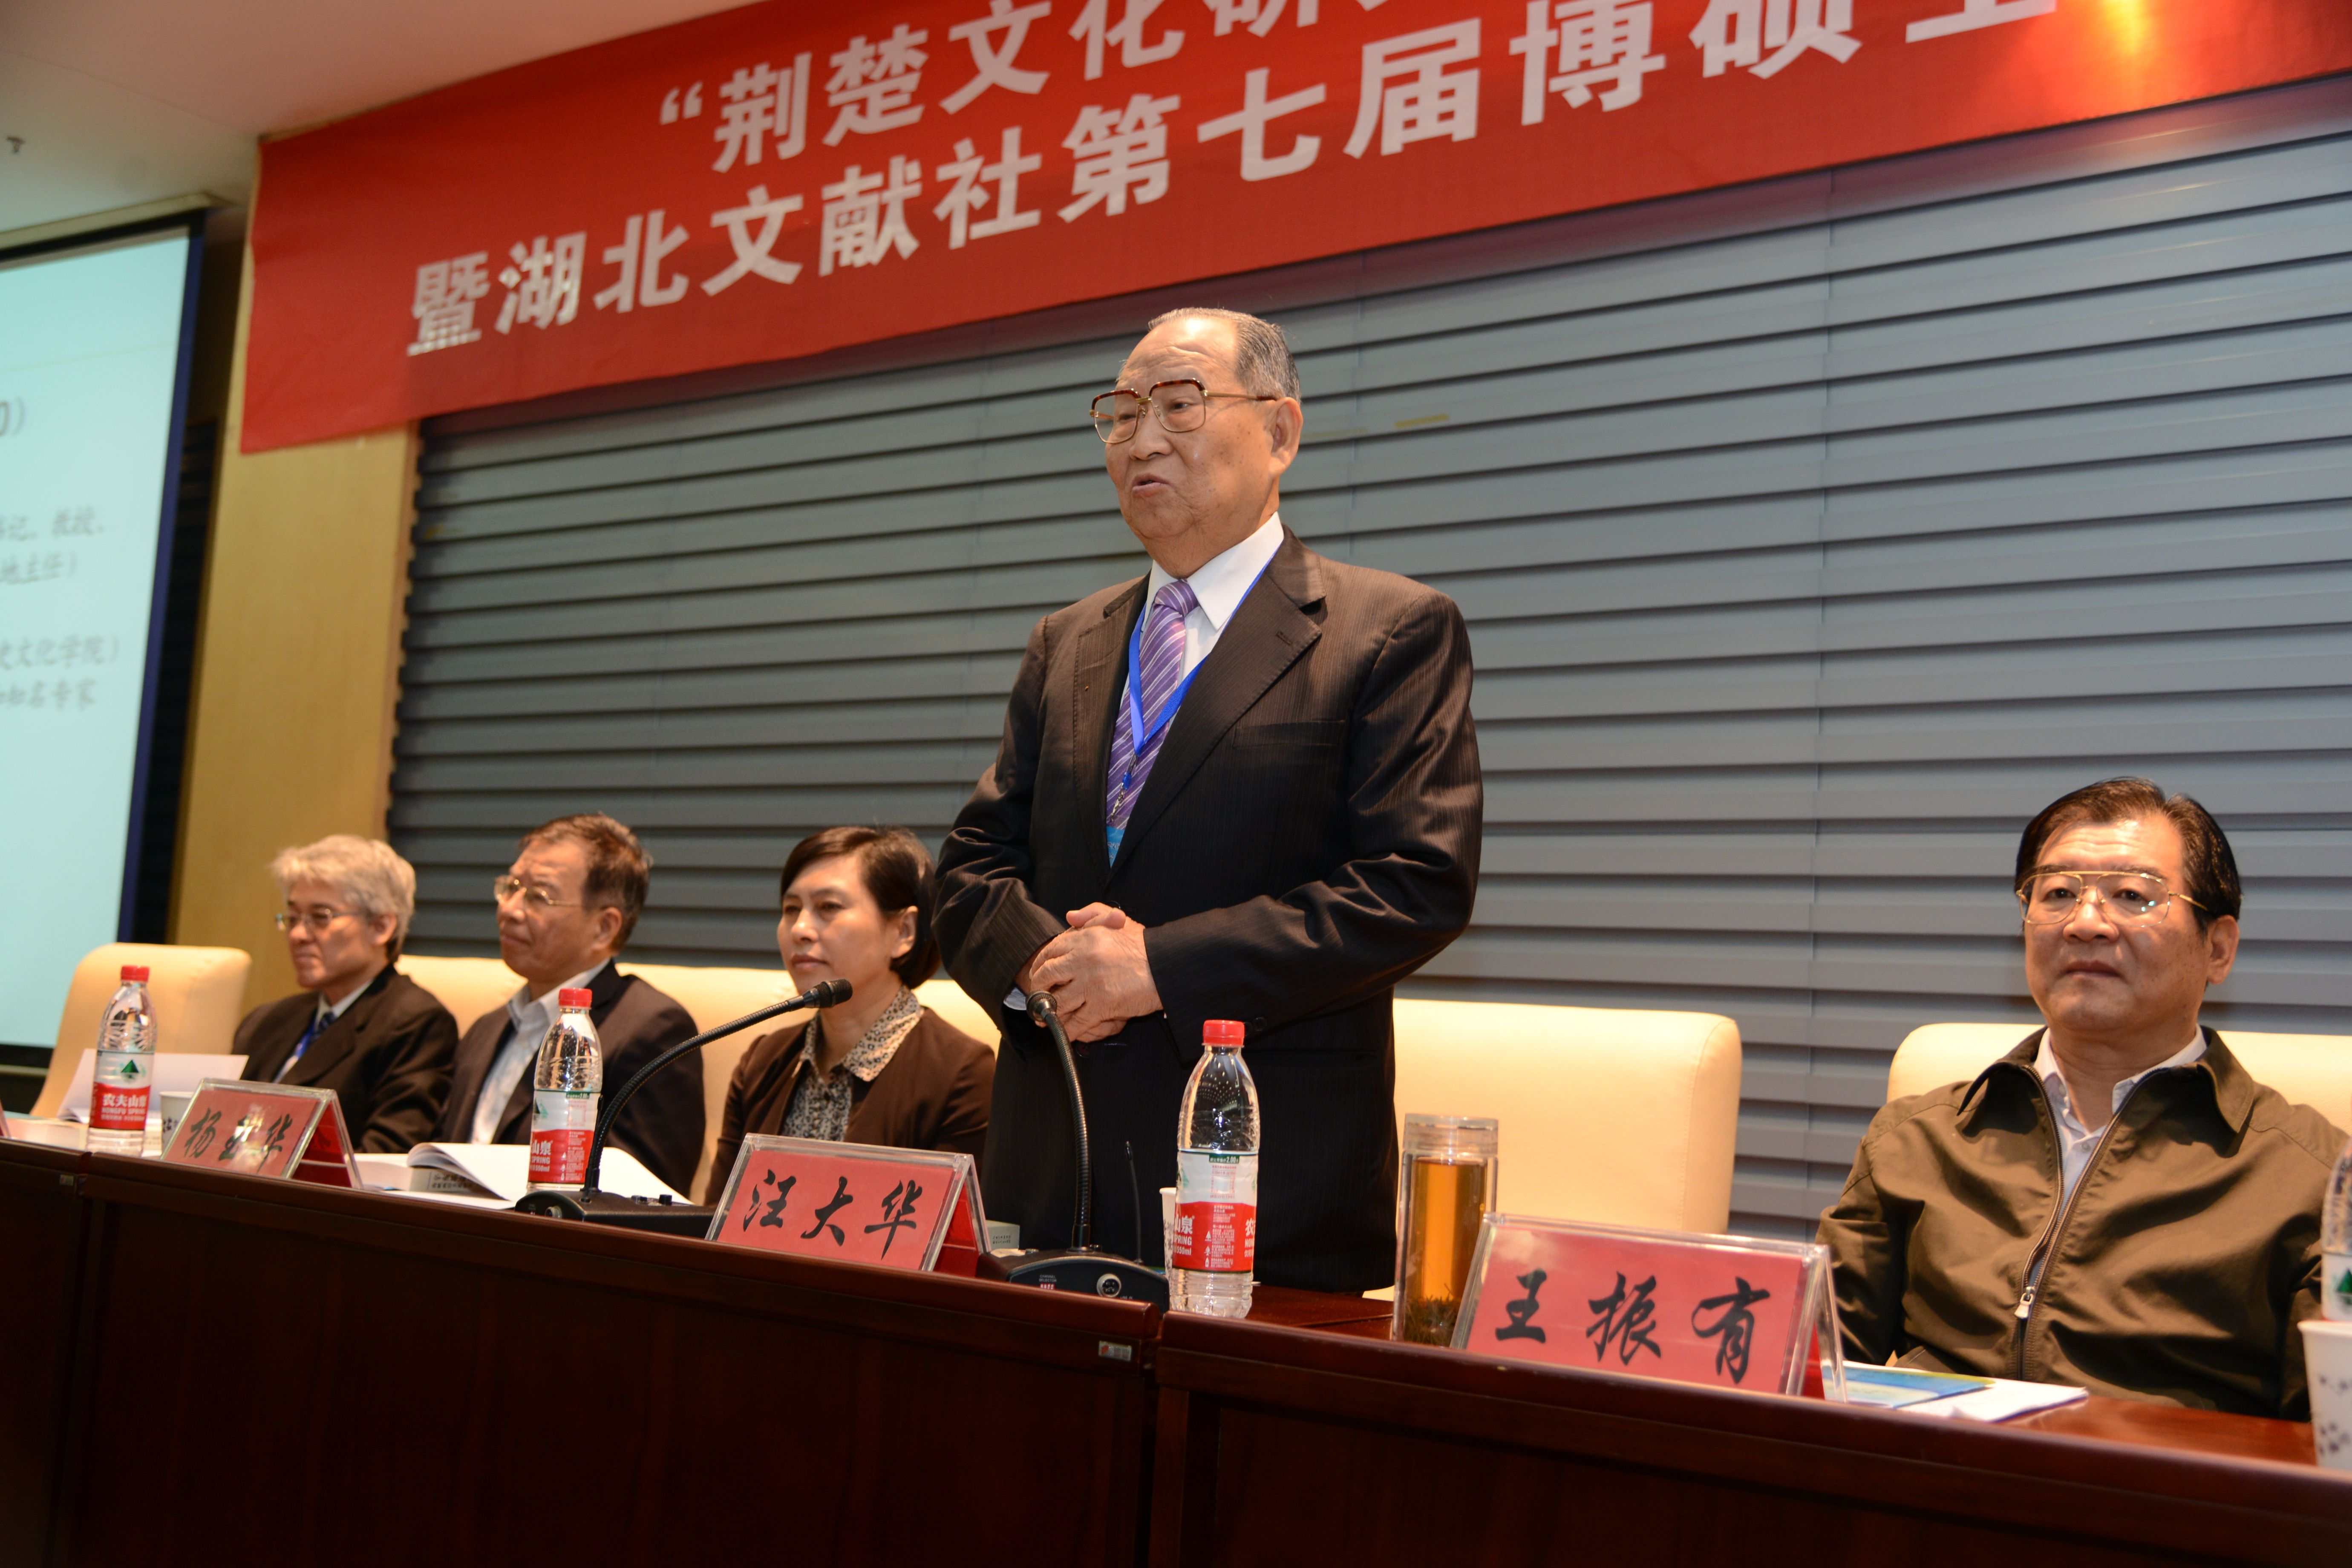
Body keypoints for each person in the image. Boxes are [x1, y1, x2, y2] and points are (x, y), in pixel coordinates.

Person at [934, 307, 1483, 1291]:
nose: (1142, 439)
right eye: (1121, 412)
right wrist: (1051, 972)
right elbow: (973, 866)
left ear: (1279, 431)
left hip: (1266, 1189)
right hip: (1050, 1171)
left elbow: (1414, 883)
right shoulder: (1066, 640)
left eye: (1179, 404)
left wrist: (1160, 968)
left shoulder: (1387, 630)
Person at [1819, 778, 2346, 1418]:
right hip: (1934, 1472)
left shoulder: (2313, 1180)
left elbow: (2328, 1439)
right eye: (2059, 893)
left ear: (2218, 948)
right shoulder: (1917, 1139)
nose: (2086, 923)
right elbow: (1804, 1372)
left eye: (2133, 895)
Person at [702, 827, 994, 1204]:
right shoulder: (761, 1062)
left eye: (828, 907)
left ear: (903, 932)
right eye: (791, 909)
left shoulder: (961, 1074)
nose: (800, 930)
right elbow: (713, 1221)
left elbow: (946, 1233)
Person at [431, 813, 703, 1195]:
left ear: (604, 927)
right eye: (510, 887)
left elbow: (644, 1198)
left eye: (538, 896)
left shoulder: (654, 1030)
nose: (509, 910)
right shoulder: (487, 1028)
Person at [231, 836, 458, 1153]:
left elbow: (386, 1153)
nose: (298, 935)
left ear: (381, 926)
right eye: (293, 918)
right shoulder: (266, 1020)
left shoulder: (415, 1023)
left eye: (320, 917)